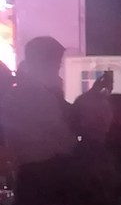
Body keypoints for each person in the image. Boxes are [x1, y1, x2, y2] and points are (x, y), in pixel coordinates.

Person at [0, 36, 77, 169]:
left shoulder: (18, 94)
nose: (57, 73)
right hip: (44, 172)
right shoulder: (38, 97)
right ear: (43, 65)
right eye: (56, 66)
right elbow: (64, 142)